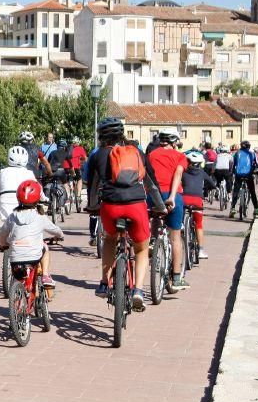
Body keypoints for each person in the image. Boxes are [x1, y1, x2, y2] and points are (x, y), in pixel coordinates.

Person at [86, 117, 159, 311]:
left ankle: (103, 283)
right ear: (122, 134)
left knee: (109, 239)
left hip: (110, 206)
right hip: (136, 205)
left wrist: (93, 206)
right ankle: (138, 291)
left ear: (101, 136)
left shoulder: (96, 155)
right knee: (142, 249)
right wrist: (160, 206)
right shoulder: (136, 152)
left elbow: (92, 186)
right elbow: (151, 184)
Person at [0, 180, 63, 291]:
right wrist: (60, 235)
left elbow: (2, 233)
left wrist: (3, 244)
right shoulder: (39, 216)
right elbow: (54, 229)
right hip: (34, 255)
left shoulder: (12, 216)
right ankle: (46, 276)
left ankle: (17, 295)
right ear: (38, 198)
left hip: (15, 258)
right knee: (45, 248)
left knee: (18, 276)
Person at [148, 127, 190, 291]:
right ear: (174, 141)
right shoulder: (180, 156)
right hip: (172, 196)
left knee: (155, 217)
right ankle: (177, 277)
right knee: (175, 237)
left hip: (152, 195)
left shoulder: (151, 155)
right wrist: (172, 196)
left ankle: (153, 241)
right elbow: (177, 175)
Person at [182, 151, 215, 260]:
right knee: (199, 225)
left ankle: (183, 228)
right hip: (197, 200)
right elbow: (211, 184)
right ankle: (201, 250)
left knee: (181, 220)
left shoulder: (183, 171)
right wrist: (207, 189)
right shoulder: (202, 173)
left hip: (184, 199)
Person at [0, 146, 40, 222]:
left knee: (6, 227)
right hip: (23, 204)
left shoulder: (3, 172)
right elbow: (38, 189)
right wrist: (45, 199)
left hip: (5, 204)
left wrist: (0, 199)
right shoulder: (29, 173)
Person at [230, 140, 258, 218]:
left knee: (236, 191)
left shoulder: (236, 153)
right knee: (252, 191)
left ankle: (233, 208)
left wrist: (233, 172)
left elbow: (233, 164)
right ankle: (256, 208)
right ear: (249, 146)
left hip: (238, 174)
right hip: (248, 175)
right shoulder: (252, 154)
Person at [44, 138, 72, 207]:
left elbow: (48, 162)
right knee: (65, 183)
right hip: (60, 171)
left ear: (57, 146)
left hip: (51, 171)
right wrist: (73, 172)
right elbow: (70, 164)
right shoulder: (65, 153)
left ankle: (47, 201)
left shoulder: (52, 152)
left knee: (48, 182)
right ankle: (68, 199)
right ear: (64, 147)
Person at [68, 136, 88, 209]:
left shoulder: (69, 148)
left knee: (70, 179)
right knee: (79, 179)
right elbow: (85, 158)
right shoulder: (80, 148)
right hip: (77, 167)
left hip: (69, 167)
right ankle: (79, 195)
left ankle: (70, 192)